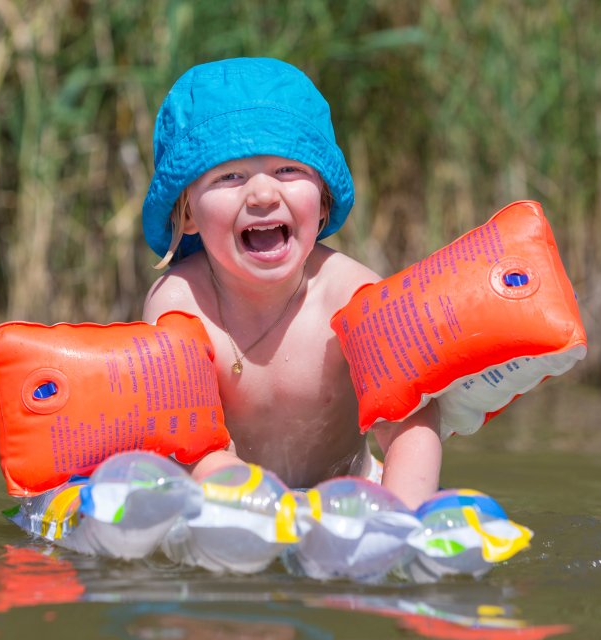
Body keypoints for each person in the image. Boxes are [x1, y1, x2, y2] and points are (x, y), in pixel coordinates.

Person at [141, 57, 441, 509]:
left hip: (347, 499)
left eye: (287, 170)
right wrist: (255, 505)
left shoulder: (350, 295)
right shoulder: (179, 303)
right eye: (230, 176)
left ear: (322, 200)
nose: (263, 194)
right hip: (228, 501)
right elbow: (190, 444)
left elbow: (409, 422)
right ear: (186, 214)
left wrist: (401, 521)